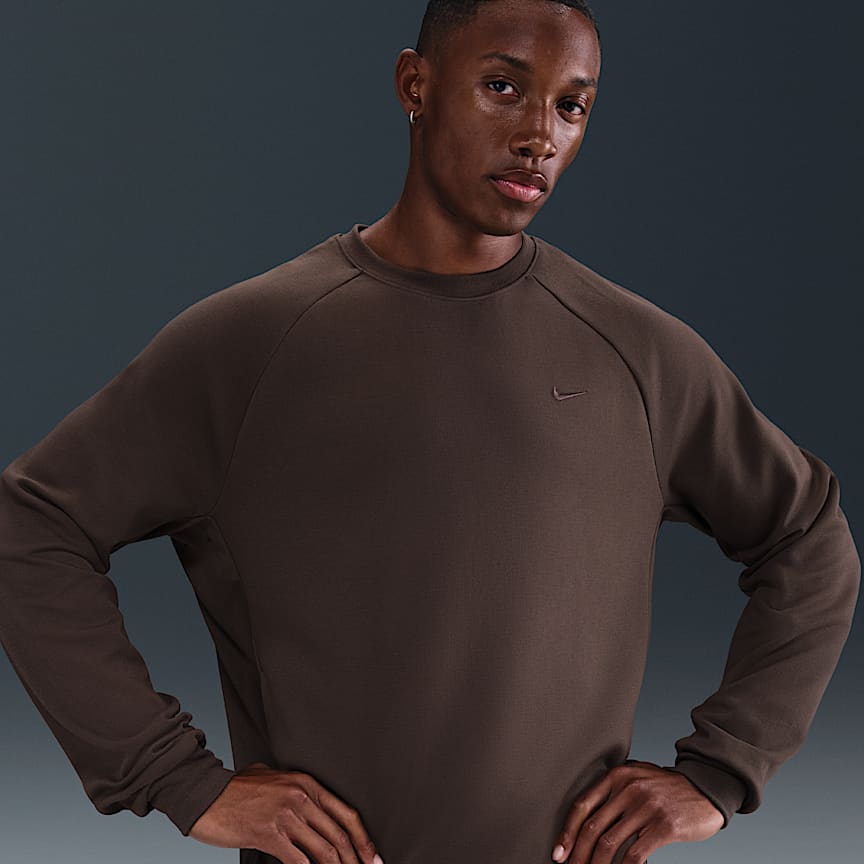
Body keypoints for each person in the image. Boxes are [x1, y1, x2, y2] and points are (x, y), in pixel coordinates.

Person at [0, 1, 859, 863]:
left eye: (571, 106)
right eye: (503, 88)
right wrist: (174, 776)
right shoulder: (253, 344)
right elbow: (31, 525)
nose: (539, 135)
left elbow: (806, 536)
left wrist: (721, 769)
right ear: (416, 85)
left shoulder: (638, 354)